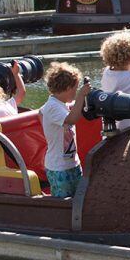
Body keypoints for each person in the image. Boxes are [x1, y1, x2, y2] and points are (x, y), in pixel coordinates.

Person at [40, 63, 87, 199]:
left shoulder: (60, 105)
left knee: (78, 199)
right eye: (75, 89)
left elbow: (40, 113)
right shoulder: (53, 107)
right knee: (63, 202)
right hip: (59, 167)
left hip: (71, 163)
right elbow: (72, 119)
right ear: (67, 88)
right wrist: (81, 96)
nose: (76, 92)